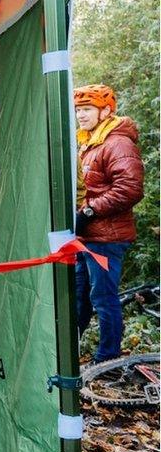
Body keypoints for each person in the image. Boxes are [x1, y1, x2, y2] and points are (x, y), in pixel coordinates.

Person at [73, 84, 145, 363]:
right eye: (78, 110)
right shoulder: (91, 141)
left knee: (103, 298)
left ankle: (108, 359)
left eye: (87, 109)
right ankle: (70, 353)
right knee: (79, 296)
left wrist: (89, 212)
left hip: (108, 238)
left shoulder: (117, 143)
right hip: (86, 236)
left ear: (106, 110)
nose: (81, 115)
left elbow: (130, 188)